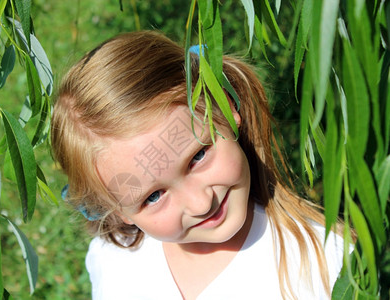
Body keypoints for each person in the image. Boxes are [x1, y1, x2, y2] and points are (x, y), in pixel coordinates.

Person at [51, 31, 346, 299]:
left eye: (197, 157)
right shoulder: (111, 261)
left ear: (226, 110)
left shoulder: (328, 261)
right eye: (153, 197)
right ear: (116, 209)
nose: (201, 203)